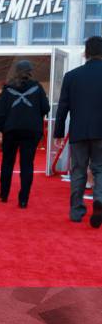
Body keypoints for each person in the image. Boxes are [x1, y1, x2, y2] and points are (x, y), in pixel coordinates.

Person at [54, 36, 102, 227]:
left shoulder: (72, 76)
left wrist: (58, 132)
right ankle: (99, 200)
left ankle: (76, 211)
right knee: (100, 168)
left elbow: (63, 107)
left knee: (78, 170)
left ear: (86, 53)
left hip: (79, 131)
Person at [0, 60, 50, 207]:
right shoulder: (37, 88)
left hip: (11, 130)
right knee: (27, 164)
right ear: (30, 71)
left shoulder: (8, 88)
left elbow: (1, 112)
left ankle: (4, 194)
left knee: (7, 162)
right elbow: (46, 108)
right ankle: (23, 199)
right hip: (32, 131)